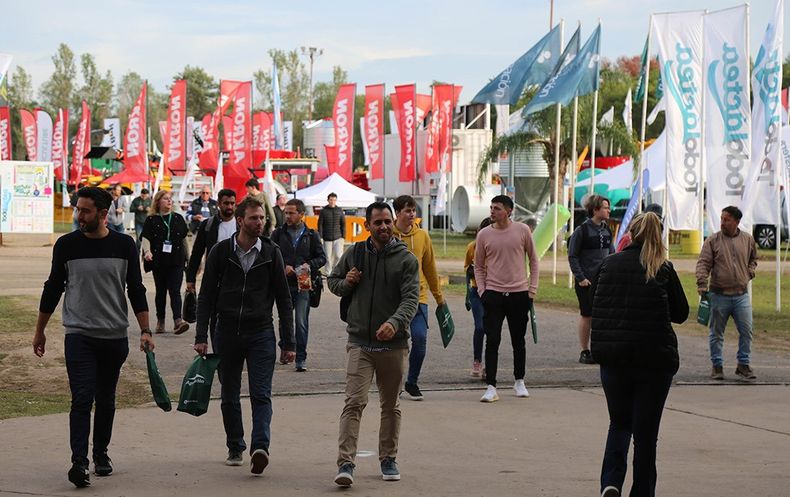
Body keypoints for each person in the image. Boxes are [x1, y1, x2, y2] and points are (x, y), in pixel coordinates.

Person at [34, 186, 154, 488]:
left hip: (114, 337)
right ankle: (79, 463)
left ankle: (100, 453)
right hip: (79, 335)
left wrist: (145, 330)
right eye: (78, 209)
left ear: (103, 214)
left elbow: (136, 289)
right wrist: (40, 331)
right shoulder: (66, 245)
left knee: (106, 398)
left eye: (85, 211)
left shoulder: (124, 245)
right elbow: (53, 287)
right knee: (82, 398)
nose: (79, 215)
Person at [194, 197, 295, 475]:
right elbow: (206, 296)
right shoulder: (221, 252)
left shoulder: (271, 252)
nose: (259, 222)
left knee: (261, 393)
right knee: (229, 394)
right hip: (226, 332)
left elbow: (284, 300)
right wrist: (201, 336)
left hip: (261, 332)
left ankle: (260, 448)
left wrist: (288, 342)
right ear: (240, 221)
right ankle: (235, 446)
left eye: (262, 218)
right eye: (253, 218)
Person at [591, 212, 689, 497]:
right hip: (654, 359)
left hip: (614, 357)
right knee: (646, 435)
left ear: (631, 234)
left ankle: (611, 482)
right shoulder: (662, 268)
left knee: (619, 423)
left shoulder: (608, 264)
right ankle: (643, 491)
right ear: (658, 237)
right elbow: (681, 312)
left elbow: (593, 300)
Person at [328, 202, 419, 487]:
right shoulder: (355, 253)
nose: (383, 227)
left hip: (394, 345)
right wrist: (348, 282)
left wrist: (394, 323)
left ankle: (388, 458)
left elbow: (411, 299)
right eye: (377, 222)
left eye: (387, 221)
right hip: (360, 343)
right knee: (354, 402)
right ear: (367, 225)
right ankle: (345, 463)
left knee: (390, 405)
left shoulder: (406, 259)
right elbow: (333, 282)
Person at [474, 194, 539, 403]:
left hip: (519, 293)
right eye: (491, 207)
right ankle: (491, 386)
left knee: (518, 340)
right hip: (493, 294)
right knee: (492, 340)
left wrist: (532, 290)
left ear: (509, 211)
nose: (492, 211)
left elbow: (534, 260)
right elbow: (478, 266)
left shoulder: (522, 230)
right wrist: (483, 291)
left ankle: (519, 380)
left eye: (497, 208)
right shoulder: (484, 234)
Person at [392, 195, 445, 401]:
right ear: (398, 213)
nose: (412, 214)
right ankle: (393, 382)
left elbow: (430, 268)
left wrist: (439, 297)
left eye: (413, 210)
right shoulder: (389, 234)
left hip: (418, 297)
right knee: (396, 344)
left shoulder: (423, 236)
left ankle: (412, 382)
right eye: (407, 210)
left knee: (420, 339)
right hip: (393, 299)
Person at [695, 205, 758, 381]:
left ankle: (743, 364)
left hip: (741, 295)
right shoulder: (713, 241)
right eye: (722, 219)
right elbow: (703, 263)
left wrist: (750, 272)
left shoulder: (747, 239)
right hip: (719, 294)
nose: (722, 222)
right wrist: (702, 283)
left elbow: (753, 259)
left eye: (727, 219)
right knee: (716, 333)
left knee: (747, 331)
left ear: (737, 221)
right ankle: (717, 366)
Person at [270, 198, 326, 371]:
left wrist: (309, 265)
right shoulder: (278, 234)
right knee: (285, 320)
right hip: (284, 284)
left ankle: (300, 358)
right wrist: (283, 266)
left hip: (304, 284)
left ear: (301, 214)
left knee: (301, 322)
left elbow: (322, 258)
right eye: (286, 212)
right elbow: (269, 255)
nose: (287, 216)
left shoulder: (311, 235)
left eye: (291, 213)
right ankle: (286, 348)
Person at [568, 194, 614, 364]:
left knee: (603, 316)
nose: (609, 210)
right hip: (586, 282)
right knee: (587, 315)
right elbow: (572, 256)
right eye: (605, 208)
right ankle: (585, 350)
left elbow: (612, 254)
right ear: (595, 210)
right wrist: (580, 277)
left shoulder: (607, 230)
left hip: (603, 281)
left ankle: (599, 349)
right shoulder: (582, 231)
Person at [141, 190, 190, 335]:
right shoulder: (151, 220)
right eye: (165, 199)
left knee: (175, 291)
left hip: (176, 260)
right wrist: (147, 251)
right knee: (161, 292)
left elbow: (184, 240)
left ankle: (178, 321)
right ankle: (160, 320)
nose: (169, 201)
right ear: (158, 202)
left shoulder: (178, 218)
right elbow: (145, 238)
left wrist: (190, 259)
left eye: (170, 199)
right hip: (159, 260)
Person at [185, 188, 237, 305]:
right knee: (209, 309)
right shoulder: (208, 225)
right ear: (219, 204)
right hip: (213, 276)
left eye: (232, 203)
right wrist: (190, 279)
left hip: (236, 277)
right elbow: (197, 253)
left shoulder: (241, 225)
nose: (229, 206)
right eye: (226, 203)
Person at [464, 217, 491, 378]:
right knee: (480, 327)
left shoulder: (497, 247)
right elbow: (467, 267)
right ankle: (477, 360)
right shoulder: (472, 247)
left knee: (492, 329)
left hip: (494, 292)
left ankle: (490, 364)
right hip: (476, 291)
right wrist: (472, 271)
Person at [317, 192, 346, 275]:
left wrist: (343, 236)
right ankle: (328, 273)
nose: (332, 201)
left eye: (334, 200)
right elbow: (320, 224)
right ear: (328, 200)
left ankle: (336, 272)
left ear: (336, 200)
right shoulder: (323, 211)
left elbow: (343, 224)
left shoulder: (339, 210)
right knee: (327, 257)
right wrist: (320, 237)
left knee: (338, 256)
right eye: (331, 200)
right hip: (327, 238)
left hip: (338, 237)